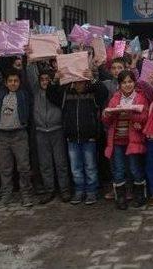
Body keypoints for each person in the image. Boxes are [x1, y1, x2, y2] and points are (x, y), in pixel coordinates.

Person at [47, 70, 108, 205]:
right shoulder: (65, 94)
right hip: (72, 138)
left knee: (90, 166)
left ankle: (91, 191)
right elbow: (50, 95)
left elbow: (104, 93)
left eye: (82, 82)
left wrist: (93, 79)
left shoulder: (93, 93)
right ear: (72, 82)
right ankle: (79, 190)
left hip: (89, 137)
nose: (79, 85)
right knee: (76, 167)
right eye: (76, 82)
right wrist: (55, 80)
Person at [102, 70, 149, 210]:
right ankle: (120, 197)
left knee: (135, 168)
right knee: (119, 169)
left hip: (132, 140)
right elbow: (106, 121)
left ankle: (140, 195)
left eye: (130, 82)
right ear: (120, 84)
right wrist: (107, 114)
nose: (127, 85)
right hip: (117, 140)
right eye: (124, 82)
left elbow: (144, 117)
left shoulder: (140, 98)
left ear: (134, 83)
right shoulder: (115, 98)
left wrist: (131, 114)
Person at [26, 61, 71, 204]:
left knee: (61, 162)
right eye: (42, 80)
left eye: (47, 79)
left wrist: (60, 57)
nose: (44, 82)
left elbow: (63, 78)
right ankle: (49, 190)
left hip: (56, 130)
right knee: (45, 164)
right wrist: (30, 61)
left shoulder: (57, 91)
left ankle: (64, 190)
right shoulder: (35, 91)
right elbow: (31, 75)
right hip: (41, 132)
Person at [0, 69, 34, 207]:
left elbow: (29, 80)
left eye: (16, 81)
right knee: (5, 168)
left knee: (23, 167)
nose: (13, 83)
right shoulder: (2, 93)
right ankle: (5, 196)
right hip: (3, 135)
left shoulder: (24, 95)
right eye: (10, 81)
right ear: (5, 83)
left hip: (19, 134)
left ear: (20, 82)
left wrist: (27, 61)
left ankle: (26, 195)